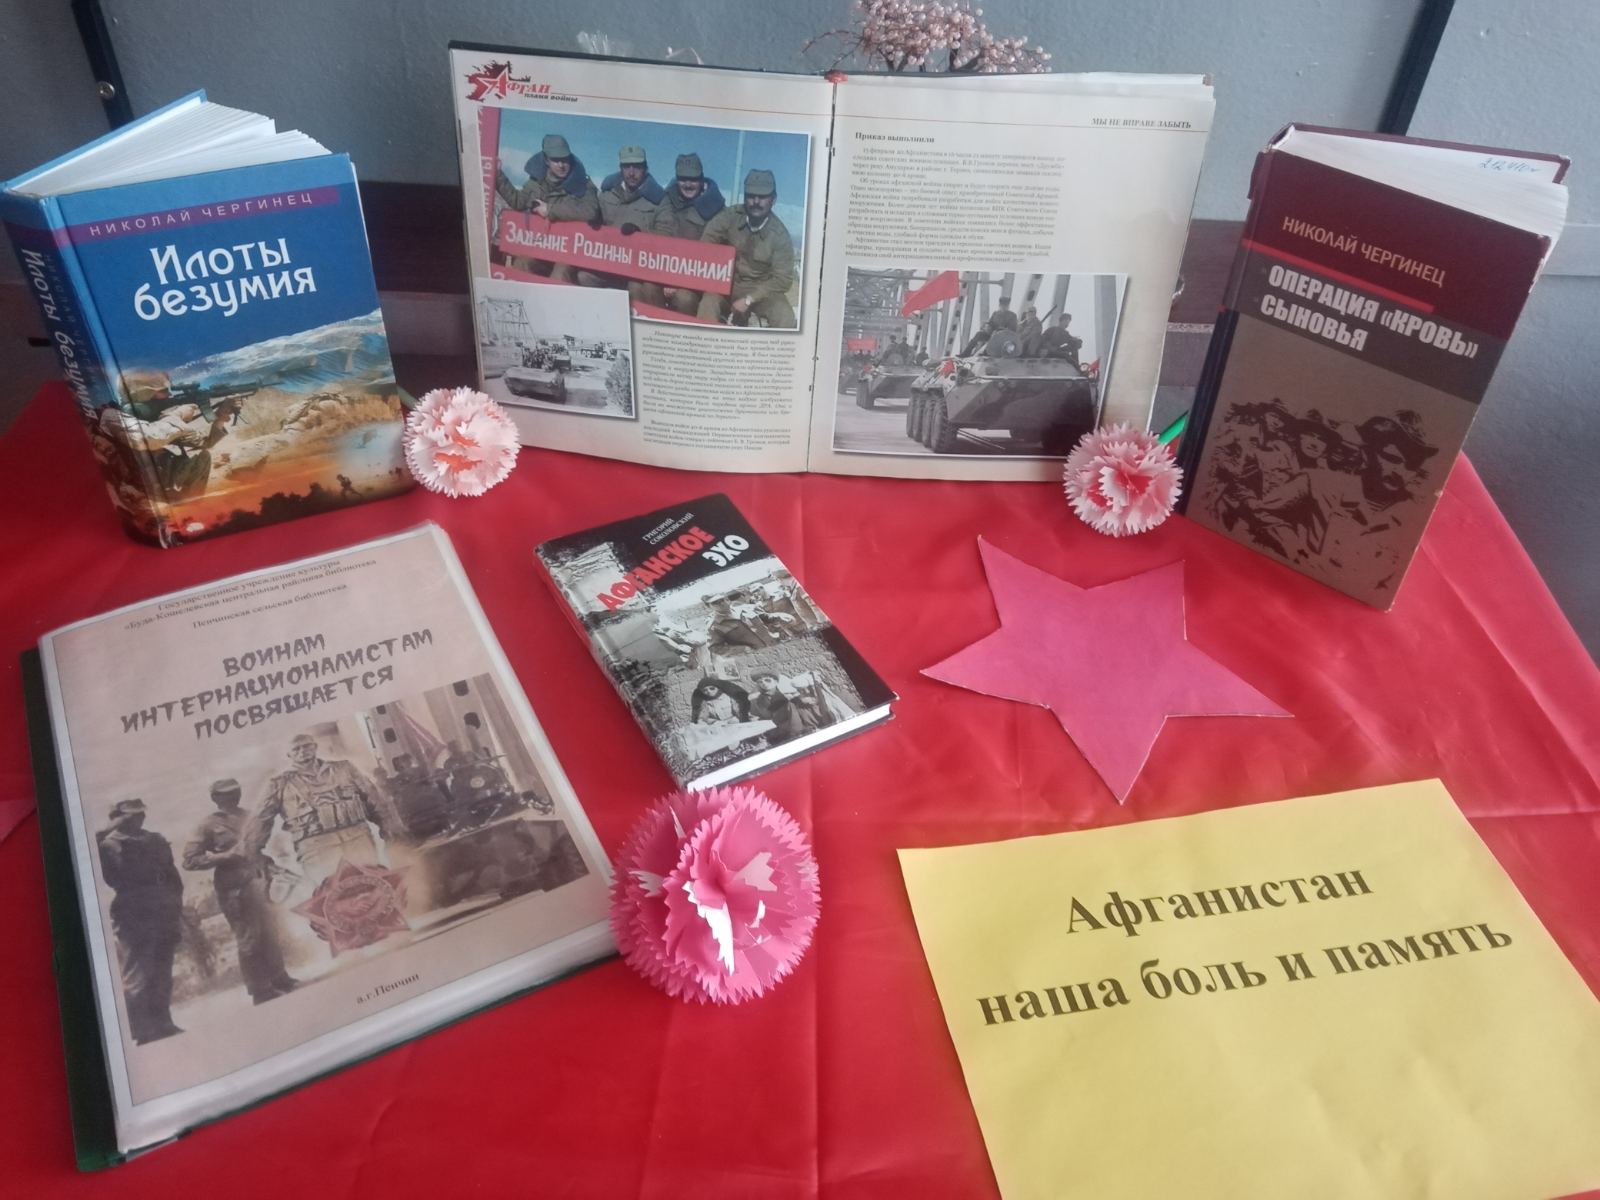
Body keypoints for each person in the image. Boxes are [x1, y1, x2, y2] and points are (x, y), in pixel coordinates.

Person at [182, 779, 298, 1006]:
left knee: (270, 931)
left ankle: (280, 978)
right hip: (233, 886)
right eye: (225, 794)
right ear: (215, 798)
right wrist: (226, 856)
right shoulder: (208, 825)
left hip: (259, 879)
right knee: (248, 938)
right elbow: (190, 860)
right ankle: (260, 990)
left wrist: (268, 863)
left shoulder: (250, 816)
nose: (232, 797)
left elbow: (258, 847)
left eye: (235, 792)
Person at [244, 733, 389, 883]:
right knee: (330, 892)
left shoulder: (344, 768)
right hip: (316, 846)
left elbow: (373, 798)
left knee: (371, 885)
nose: (303, 751)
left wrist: (389, 827)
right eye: (296, 749)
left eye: (307, 746)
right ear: (289, 754)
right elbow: (261, 817)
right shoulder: (278, 783)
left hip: (357, 837)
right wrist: (253, 852)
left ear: (315, 747)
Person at [96, 799, 184, 1044]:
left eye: (141, 813)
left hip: (162, 906)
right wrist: (111, 826)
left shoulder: (155, 839)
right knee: (137, 974)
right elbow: (86, 849)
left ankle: (164, 1023)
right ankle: (143, 1031)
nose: (139, 818)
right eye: (132, 815)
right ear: (118, 817)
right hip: (132, 911)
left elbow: (172, 874)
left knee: (162, 969)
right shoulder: (108, 845)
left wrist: (177, 904)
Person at [697, 169, 797, 329]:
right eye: (751, 196)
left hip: (759, 291)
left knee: (785, 316)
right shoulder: (730, 216)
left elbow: (783, 280)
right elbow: (706, 242)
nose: (756, 201)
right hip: (726, 284)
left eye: (762, 197)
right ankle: (706, 342)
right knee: (709, 302)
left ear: (773, 199)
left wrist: (749, 299)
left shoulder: (780, 236)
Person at [495, 133, 600, 280]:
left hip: (569, 252)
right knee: (523, 263)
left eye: (565, 160)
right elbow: (518, 201)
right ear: (546, 160)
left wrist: (549, 210)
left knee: (560, 274)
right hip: (542, 246)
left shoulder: (583, 184)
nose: (561, 165)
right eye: (556, 160)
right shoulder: (537, 182)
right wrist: (498, 175)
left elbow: (590, 211)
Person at [648, 153, 727, 314]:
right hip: (664, 271)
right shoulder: (666, 200)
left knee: (684, 298)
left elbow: (716, 257)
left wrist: (679, 281)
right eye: (683, 179)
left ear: (701, 179)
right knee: (646, 288)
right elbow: (658, 235)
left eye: (693, 179)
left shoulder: (716, 209)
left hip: (695, 281)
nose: (688, 184)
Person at [591, 145, 665, 297]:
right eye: (626, 167)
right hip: (608, 265)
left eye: (637, 167)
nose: (631, 173)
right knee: (584, 277)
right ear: (621, 169)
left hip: (638, 270)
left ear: (645, 169)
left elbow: (664, 238)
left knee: (636, 289)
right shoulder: (607, 194)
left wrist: (640, 236)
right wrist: (594, 220)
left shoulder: (658, 200)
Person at [748, 671, 826, 742]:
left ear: (775, 682)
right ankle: (797, 733)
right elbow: (761, 715)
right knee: (791, 706)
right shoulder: (759, 699)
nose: (764, 683)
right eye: (760, 682)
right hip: (781, 723)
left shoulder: (787, 690)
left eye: (767, 680)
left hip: (798, 719)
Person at [705, 595, 776, 658]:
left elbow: (766, 617)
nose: (721, 603)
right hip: (755, 656)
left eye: (722, 600)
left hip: (774, 645)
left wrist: (778, 616)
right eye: (715, 603)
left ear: (727, 599)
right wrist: (742, 649)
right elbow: (715, 647)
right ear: (708, 607)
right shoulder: (714, 626)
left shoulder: (747, 608)